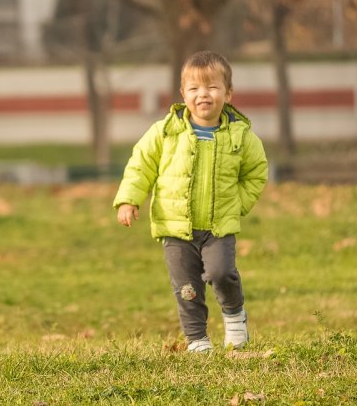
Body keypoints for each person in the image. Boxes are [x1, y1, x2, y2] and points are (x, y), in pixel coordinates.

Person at [113, 50, 267, 353]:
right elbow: (140, 165)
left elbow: (256, 174)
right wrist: (129, 200)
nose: (203, 95)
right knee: (187, 288)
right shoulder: (166, 132)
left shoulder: (241, 136)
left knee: (222, 274)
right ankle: (197, 339)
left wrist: (237, 205)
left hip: (219, 227)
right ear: (183, 94)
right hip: (175, 228)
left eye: (212, 87)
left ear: (228, 93)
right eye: (194, 88)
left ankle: (235, 318)